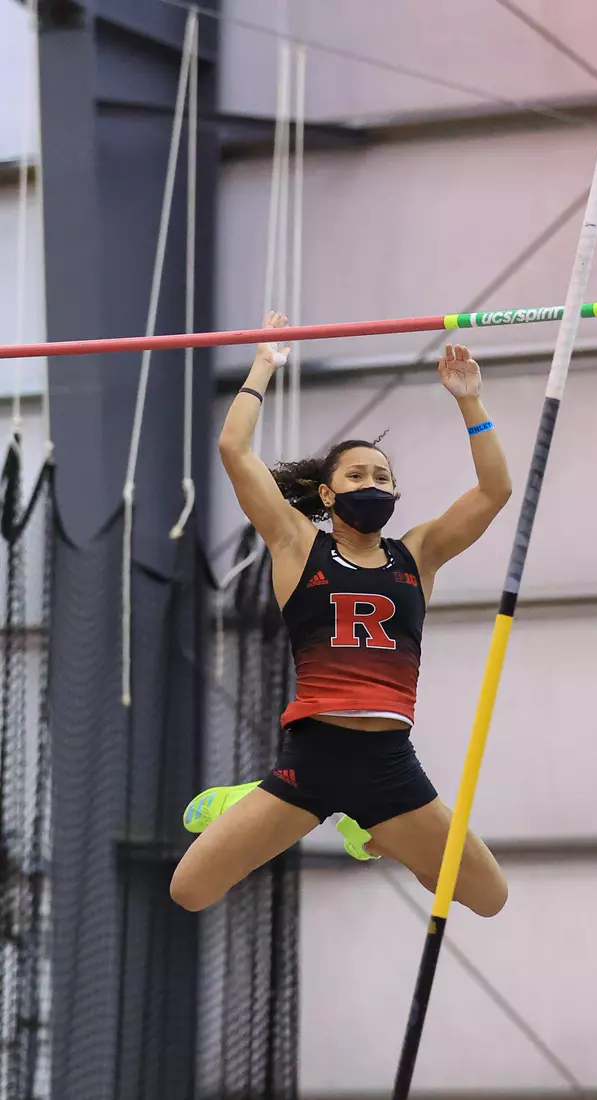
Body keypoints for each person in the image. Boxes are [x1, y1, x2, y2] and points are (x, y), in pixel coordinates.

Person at [170, 311, 512, 918]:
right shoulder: (297, 544)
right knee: (189, 891)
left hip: (389, 764)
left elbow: (493, 492)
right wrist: (264, 363)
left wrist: (470, 401)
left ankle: (372, 832)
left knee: (488, 897)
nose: (372, 483)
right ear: (327, 495)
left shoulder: (419, 553)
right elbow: (233, 448)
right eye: (357, 475)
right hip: (315, 756)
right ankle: (251, 799)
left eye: (383, 476)